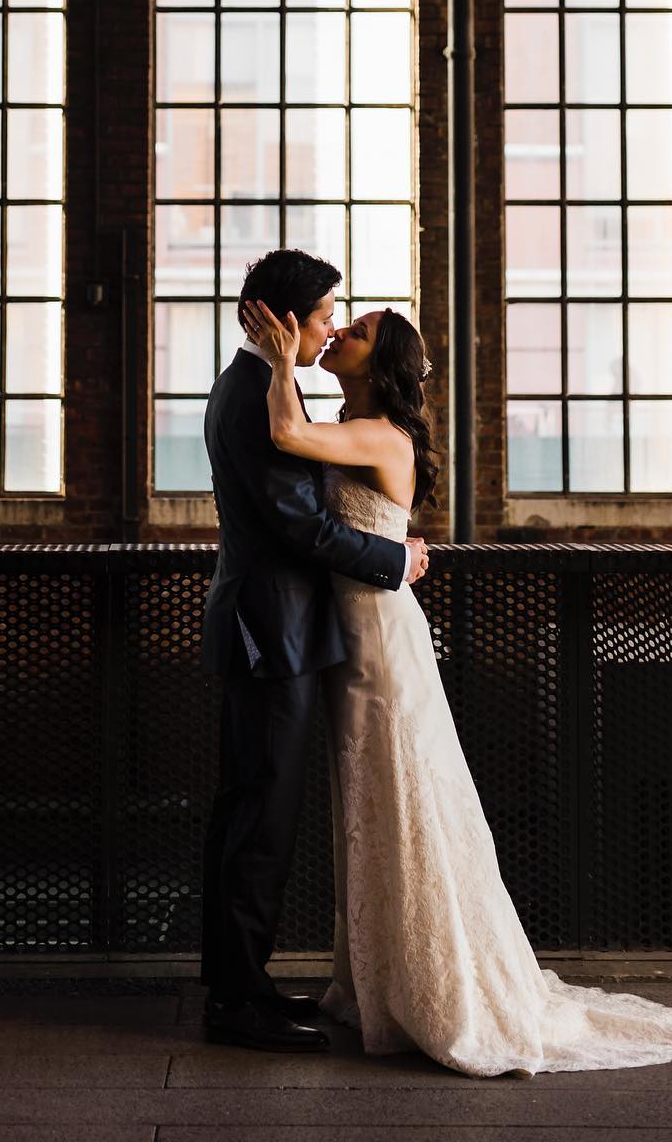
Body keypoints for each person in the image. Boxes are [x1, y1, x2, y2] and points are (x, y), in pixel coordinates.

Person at [238, 294, 672, 1079]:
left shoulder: (378, 434)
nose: (340, 333)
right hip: (354, 639)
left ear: (380, 362)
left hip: (380, 646)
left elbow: (288, 434)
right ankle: (380, 980)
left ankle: (439, 988)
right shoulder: (359, 429)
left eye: (354, 333)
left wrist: (275, 350)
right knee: (370, 804)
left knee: (404, 796)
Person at [199, 248, 430, 1054]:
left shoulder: (259, 389)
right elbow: (302, 527)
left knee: (251, 815)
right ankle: (237, 1002)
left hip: (290, 631)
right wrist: (395, 559)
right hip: (276, 634)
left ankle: (240, 986)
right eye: (328, 315)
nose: (332, 329)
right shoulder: (260, 394)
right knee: (260, 822)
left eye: (344, 322)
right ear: (286, 318)